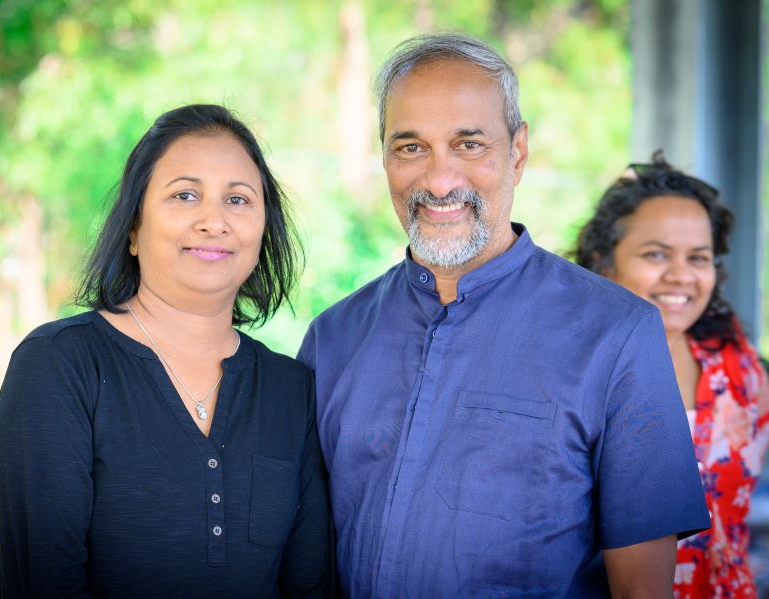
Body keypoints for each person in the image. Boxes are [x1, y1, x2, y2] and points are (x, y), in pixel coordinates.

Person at [297, 32, 710, 598]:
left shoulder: (618, 334)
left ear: (518, 153)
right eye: (411, 147)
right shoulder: (333, 338)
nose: (439, 180)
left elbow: (642, 590)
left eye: (469, 144)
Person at [0, 104, 333, 598]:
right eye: (185, 195)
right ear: (133, 228)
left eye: (238, 199)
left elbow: (310, 585)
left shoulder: (290, 389)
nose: (214, 221)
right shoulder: (58, 366)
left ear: (263, 230)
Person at [574, 153, 769, 598]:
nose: (681, 275)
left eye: (698, 257)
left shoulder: (744, 377)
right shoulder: (569, 374)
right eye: (656, 254)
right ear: (604, 264)